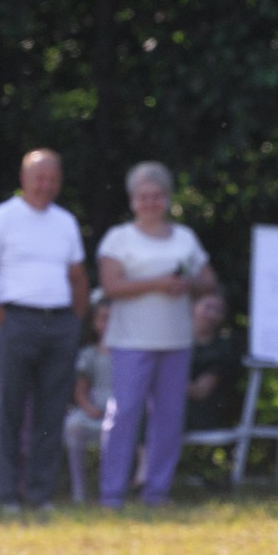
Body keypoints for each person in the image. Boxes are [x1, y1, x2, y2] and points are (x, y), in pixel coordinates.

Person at [0, 150, 90, 512]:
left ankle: (41, 493)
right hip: (18, 320)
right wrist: (1, 316)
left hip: (60, 322)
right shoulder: (1, 219)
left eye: (53, 179)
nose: (46, 185)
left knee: (51, 412)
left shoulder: (65, 222)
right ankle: (7, 495)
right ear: (24, 178)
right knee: (11, 410)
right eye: (39, 178)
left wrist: (74, 321)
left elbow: (78, 276)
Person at [95, 162, 215, 507]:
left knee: (168, 417)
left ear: (167, 199)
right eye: (143, 196)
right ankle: (112, 491)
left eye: (157, 196)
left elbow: (209, 281)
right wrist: (156, 284)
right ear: (133, 200)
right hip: (131, 341)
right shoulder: (119, 238)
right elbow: (111, 285)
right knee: (125, 413)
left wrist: (187, 284)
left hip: (176, 340)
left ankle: (156, 490)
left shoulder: (185, 238)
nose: (150, 202)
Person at [64, 300, 115, 504]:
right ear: (94, 323)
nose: (108, 324)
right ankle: (79, 491)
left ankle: (111, 489)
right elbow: (81, 389)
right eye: (103, 319)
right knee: (73, 425)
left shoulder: (129, 355)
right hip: (94, 409)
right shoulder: (89, 354)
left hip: (120, 412)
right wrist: (87, 407)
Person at [181, 294, 239, 434]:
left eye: (218, 310)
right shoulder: (174, 342)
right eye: (208, 307)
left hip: (198, 412)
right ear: (193, 307)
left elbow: (200, 392)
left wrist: (164, 381)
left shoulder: (223, 350)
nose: (211, 314)